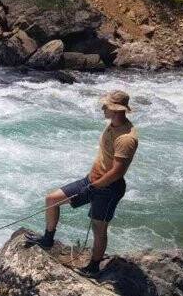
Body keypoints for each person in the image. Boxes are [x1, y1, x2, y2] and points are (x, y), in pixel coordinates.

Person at [27, 90, 139, 276]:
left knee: (99, 228)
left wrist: (94, 188)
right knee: (51, 199)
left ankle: (94, 267)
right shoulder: (112, 124)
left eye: (107, 106)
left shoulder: (126, 138)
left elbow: (117, 172)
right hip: (92, 180)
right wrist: (91, 184)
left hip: (108, 188)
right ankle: (47, 239)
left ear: (117, 110)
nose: (103, 107)